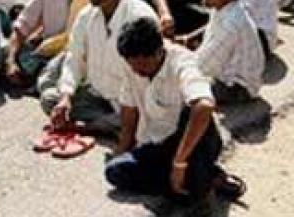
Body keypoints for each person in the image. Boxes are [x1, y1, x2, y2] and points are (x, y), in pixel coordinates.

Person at [104, 17, 245, 204]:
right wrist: (123, 147)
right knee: (115, 170)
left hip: (192, 142)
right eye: (133, 65)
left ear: (158, 52)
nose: (137, 71)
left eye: (143, 65)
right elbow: (129, 108)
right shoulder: (133, 64)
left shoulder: (183, 63)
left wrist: (179, 163)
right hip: (158, 144)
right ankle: (201, 179)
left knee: (191, 111)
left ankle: (192, 178)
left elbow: (204, 106)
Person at [43, 0, 158, 135]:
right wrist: (66, 97)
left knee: (141, 121)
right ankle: (103, 125)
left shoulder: (140, 17)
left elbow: (149, 79)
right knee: (51, 99)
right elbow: (74, 58)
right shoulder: (87, 15)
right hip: (97, 95)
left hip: (132, 102)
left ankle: (100, 126)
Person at [185, 0, 265, 104]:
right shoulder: (225, 9)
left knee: (181, 88)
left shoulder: (231, 24)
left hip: (237, 87)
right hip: (227, 76)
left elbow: (204, 64)